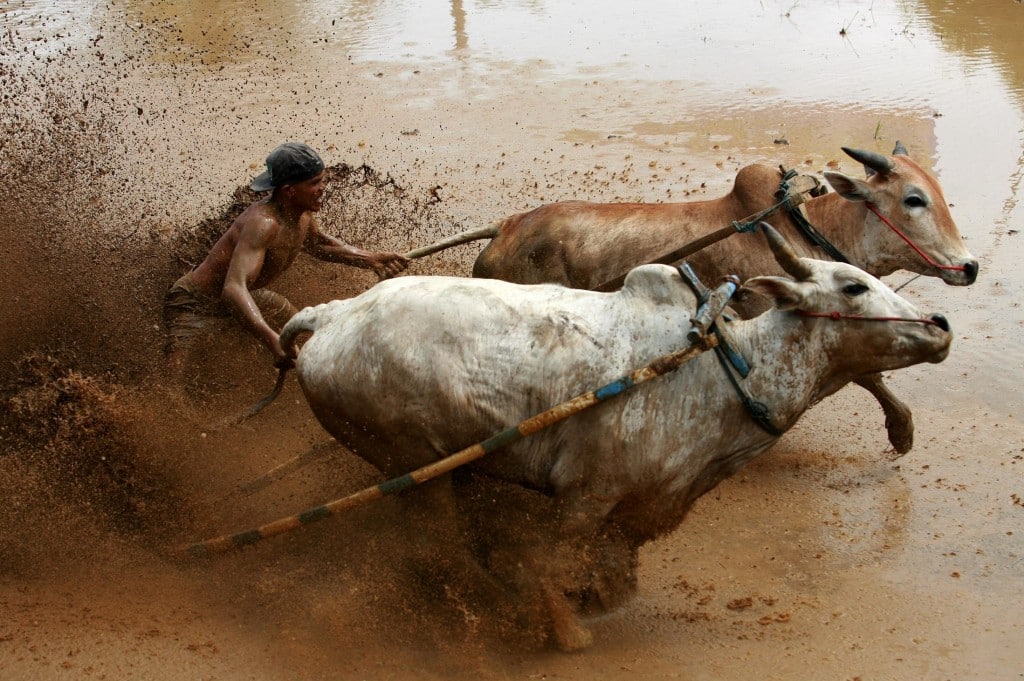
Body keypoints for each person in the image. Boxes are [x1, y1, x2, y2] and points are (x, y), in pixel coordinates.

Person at [164, 142, 409, 371]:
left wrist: (370, 259)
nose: (323, 189)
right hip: (196, 304)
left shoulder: (301, 215)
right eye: (315, 183)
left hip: (254, 298)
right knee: (175, 379)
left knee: (304, 331)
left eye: (323, 180)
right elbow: (234, 289)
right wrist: (272, 340)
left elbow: (321, 245)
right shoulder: (263, 224)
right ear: (289, 191)